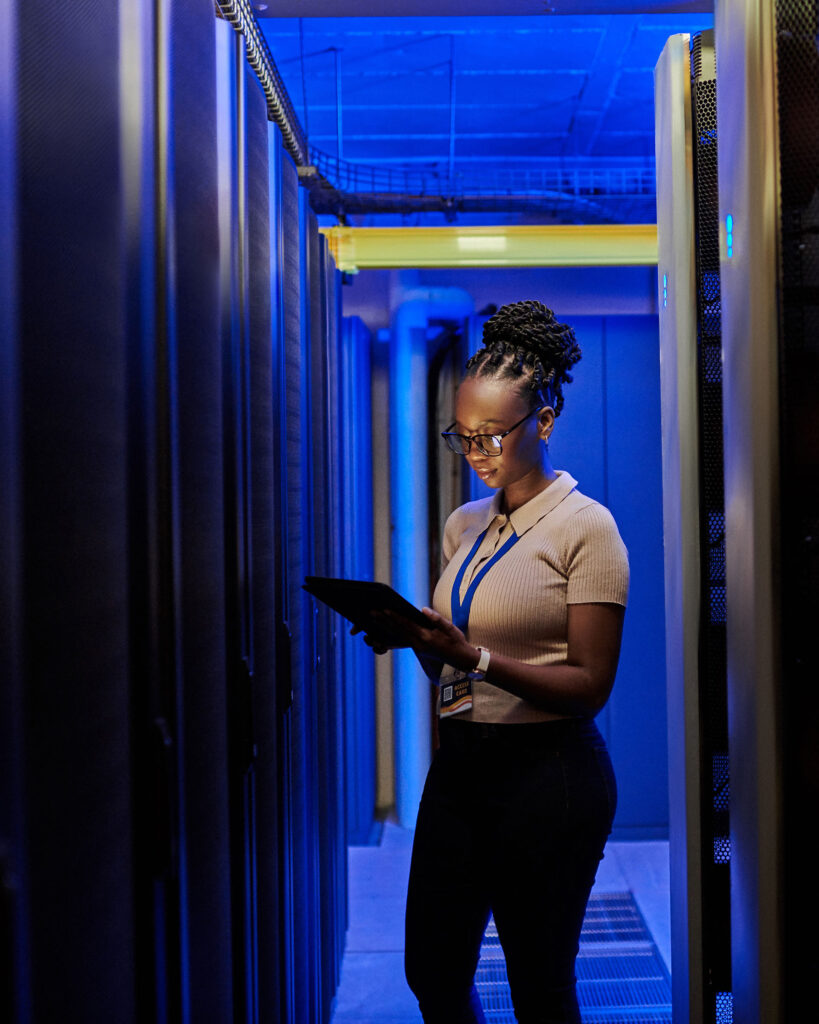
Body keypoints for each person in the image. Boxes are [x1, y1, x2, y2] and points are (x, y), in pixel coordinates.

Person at [367, 300, 629, 1024]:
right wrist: (422, 642)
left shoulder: (587, 528)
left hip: (550, 777)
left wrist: (474, 656)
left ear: (543, 421)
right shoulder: (463, 526)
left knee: (538, 985)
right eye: (463, 438)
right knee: (433, 972)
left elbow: (588, 686)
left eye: (492, 436)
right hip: (461, 771)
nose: (478, 453)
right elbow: (454, 668)